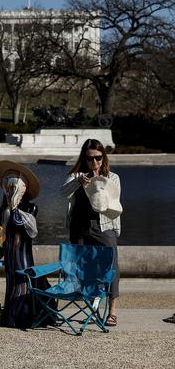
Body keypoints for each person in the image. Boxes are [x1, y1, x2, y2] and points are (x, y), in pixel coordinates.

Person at [61, 138, 122, 327]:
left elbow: (112, 202)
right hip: (79, 227)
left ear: (103, 158)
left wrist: (98, 184)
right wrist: (78, 182)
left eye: (98, 158)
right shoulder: (76, 175)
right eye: (89, 158)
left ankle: (112, 311)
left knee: (111, 267)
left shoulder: (112, 177)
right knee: (83, 268)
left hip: (104, 226)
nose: (94, 162)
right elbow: (63, 192)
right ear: (84, 158)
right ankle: (93, 309)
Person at [0, 160, 51, 329]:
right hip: (10, 254)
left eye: (14, 185)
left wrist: (13, 207)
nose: (10, 189)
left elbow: (19, 223)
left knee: (23, 282)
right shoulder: (2, 209)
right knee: (11, 282)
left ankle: (23, 315)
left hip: (22, 254)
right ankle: (10, 315)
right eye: (7, 185)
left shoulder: (30, 208)